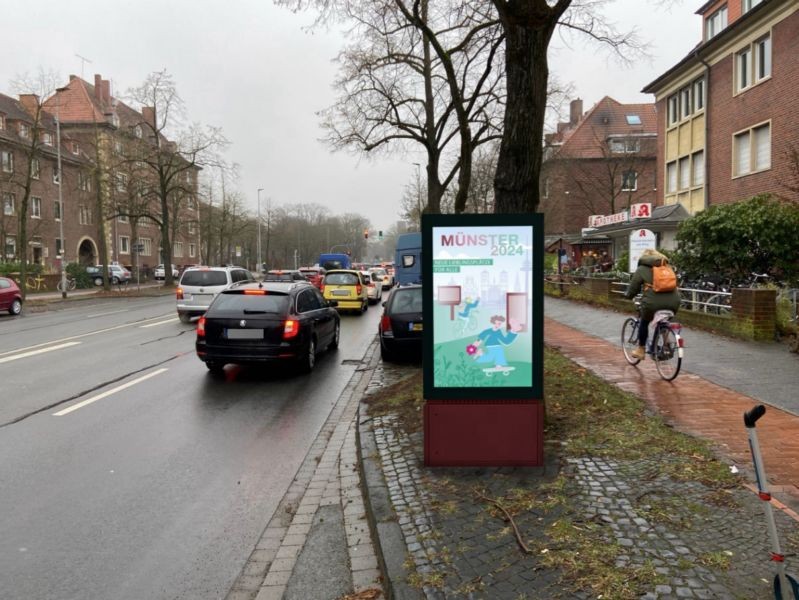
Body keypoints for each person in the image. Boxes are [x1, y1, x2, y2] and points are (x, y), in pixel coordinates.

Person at [624, 248, 681, 359]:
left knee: (644, 322)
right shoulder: (667, 268)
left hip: (652, 304)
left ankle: (641, 349)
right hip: (674, 302)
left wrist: (628, 295)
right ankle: (666, 345)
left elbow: (633, 287)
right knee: (664, 321)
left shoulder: (642, 269)